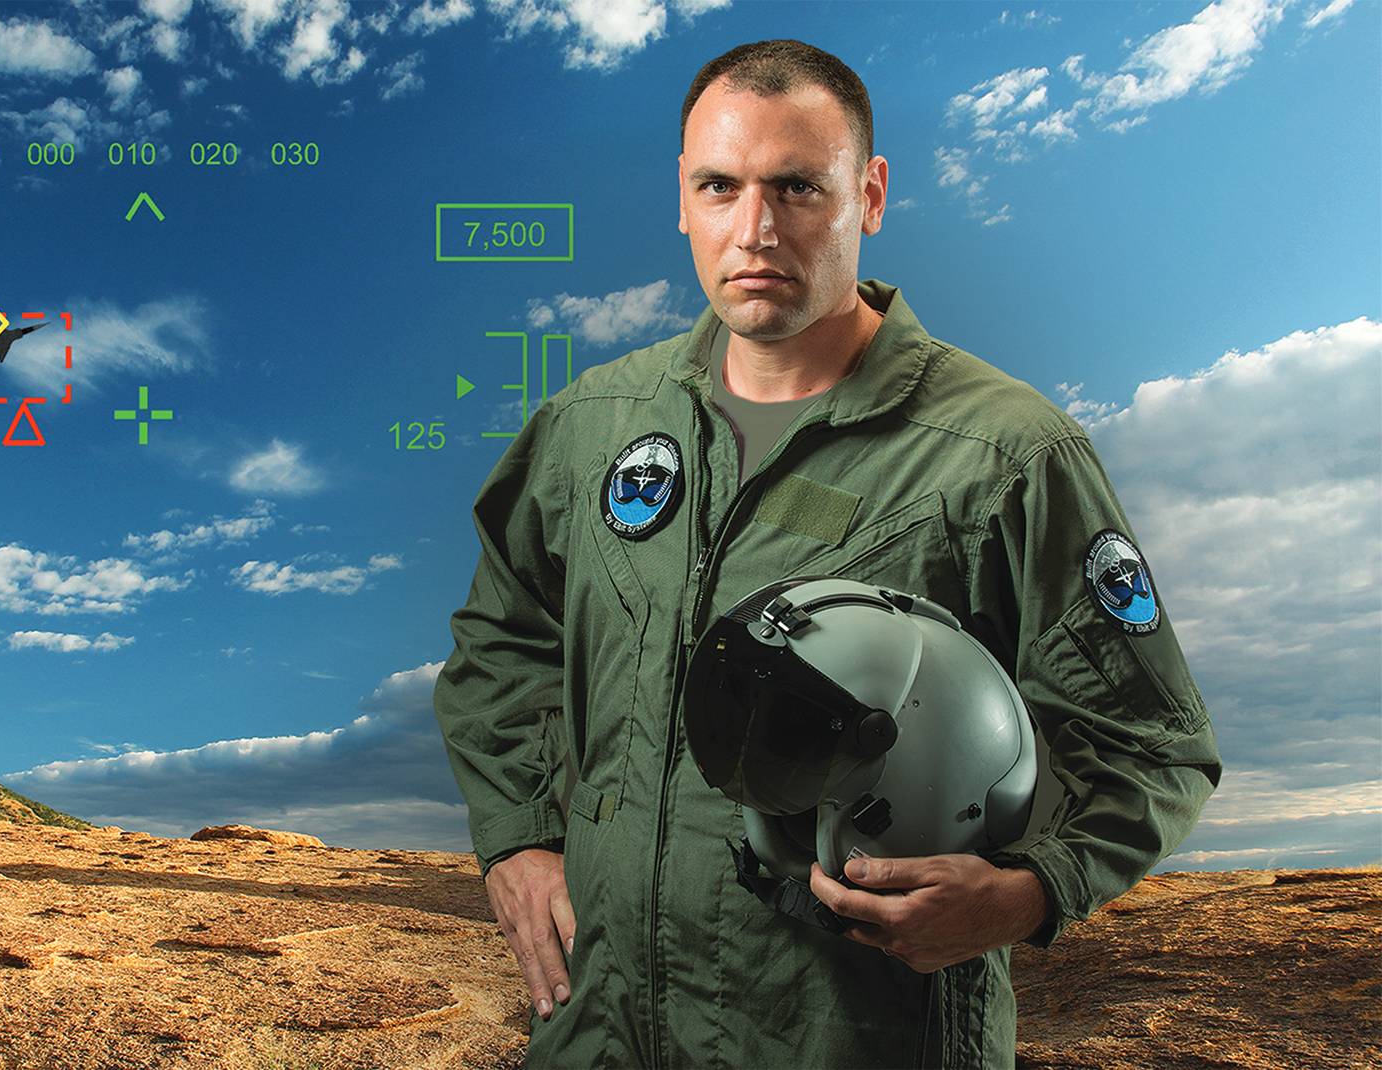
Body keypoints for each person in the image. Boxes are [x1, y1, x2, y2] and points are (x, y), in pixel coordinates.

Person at [431, 38, 1222, 1070]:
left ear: (872, 193)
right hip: (599, 1026)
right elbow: (504, 638)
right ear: (681, 198)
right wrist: (520, 832)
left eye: (798, 186)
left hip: (852, 1034)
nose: (753, 229)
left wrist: (1030, 888)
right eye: (720, 186)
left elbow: (1151, 741)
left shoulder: (1007, 455)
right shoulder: (591, 427)